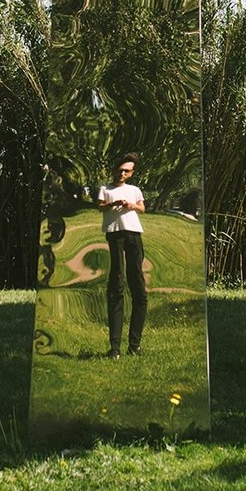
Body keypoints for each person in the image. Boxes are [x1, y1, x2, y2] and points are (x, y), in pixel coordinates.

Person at [97, 153, 147, 358]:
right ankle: (114, 348)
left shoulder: (134, 190)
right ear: (115, 168)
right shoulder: (105, 188)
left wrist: (130, 205)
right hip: (114, 234)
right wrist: (111, 204)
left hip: (134, 234)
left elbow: (142, 208)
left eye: (127, 171)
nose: (122, 173)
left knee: (138, 287)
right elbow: (99, 206)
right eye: (120, 169)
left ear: (131, 173)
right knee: (116, 284)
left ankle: (134, 346)